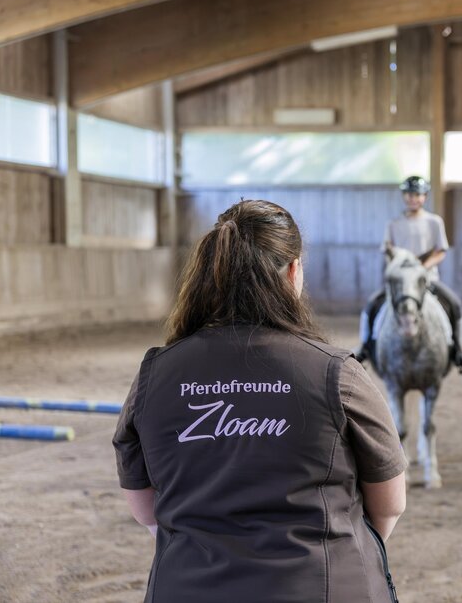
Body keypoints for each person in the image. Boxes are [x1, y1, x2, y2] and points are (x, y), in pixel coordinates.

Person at [113, 199, 407, 602]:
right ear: (293, 270)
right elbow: (389, 506)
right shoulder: (338, 373)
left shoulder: (156, 373)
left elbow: (147, 512)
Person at [355, 176, 462, 373]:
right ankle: (365, 347)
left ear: (424, 197)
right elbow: (388, 250)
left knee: (455, 305)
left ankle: (459, 351)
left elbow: (441, 251)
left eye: (418, 195)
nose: (414, 199)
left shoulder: (434, 222)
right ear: (404, 196)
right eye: (410, 195)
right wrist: (398, 270)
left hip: (427, 279)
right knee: (371, 306)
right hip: (400, 283)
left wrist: (422, 267)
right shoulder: (393, 224)